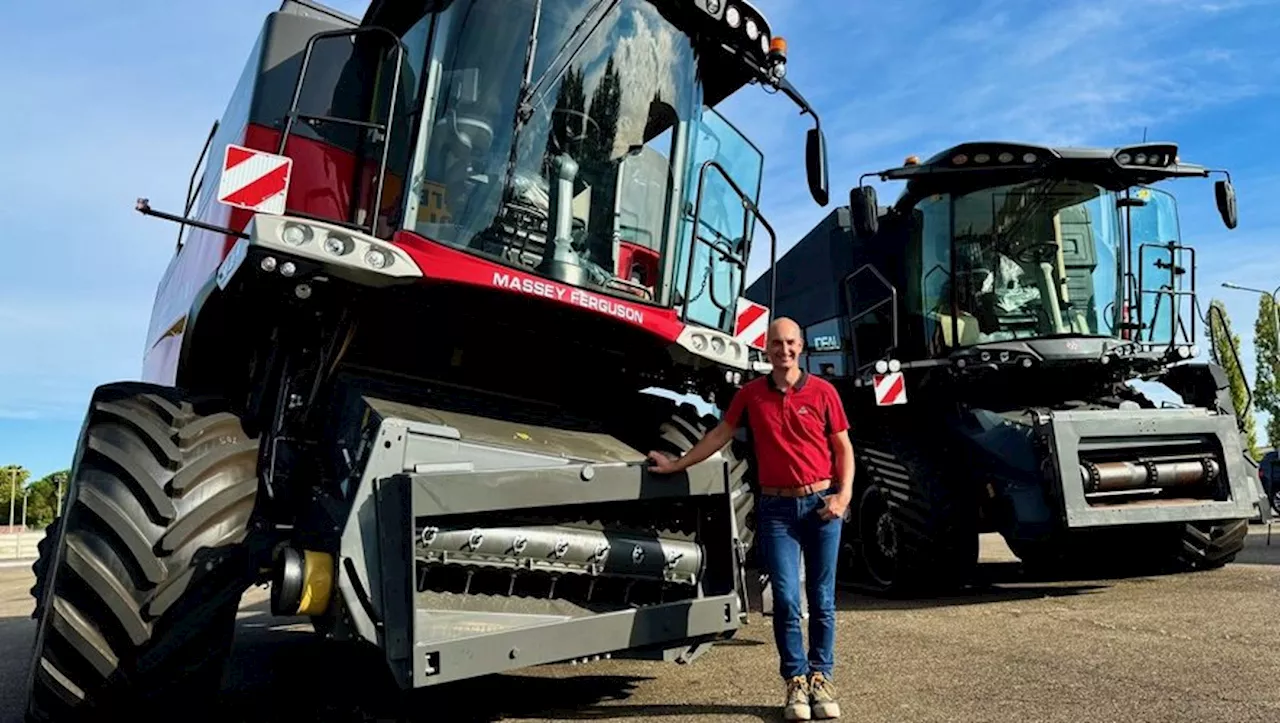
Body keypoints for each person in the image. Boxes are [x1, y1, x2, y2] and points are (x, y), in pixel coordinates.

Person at [647, 317, 855, 721]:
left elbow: (843, 448)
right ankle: (796, 682)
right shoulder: (751, 396)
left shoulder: (824, 392)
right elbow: (718, 436)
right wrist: (676, 465)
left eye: (791, 342)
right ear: (767, 348)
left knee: (823, 601)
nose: (784, 350)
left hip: (821, 507)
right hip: (777, 511)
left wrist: (843, 496)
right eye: (777, 343)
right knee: (787, 602)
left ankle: (822, 678)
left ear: (802, 346)